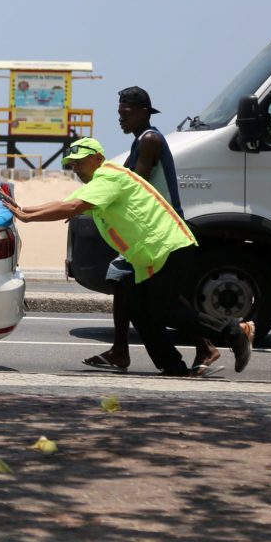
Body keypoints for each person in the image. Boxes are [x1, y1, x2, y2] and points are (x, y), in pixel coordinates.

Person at [1, 137, 255, 377]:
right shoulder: (96, 187)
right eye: (72, 165)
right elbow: (62, 203)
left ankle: (234, 331)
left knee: (164, 310)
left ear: (98, 157)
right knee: (139, 310)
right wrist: (20, 209)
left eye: (80, 162)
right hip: (149, 257)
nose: (76, 168)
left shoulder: (109, 177)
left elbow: (72, 207)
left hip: (168, 247)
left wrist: (27, 217)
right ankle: (172, 367)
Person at [81, 87, 220, 375]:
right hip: (150, 231)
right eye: (119, 113)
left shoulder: (150, 140)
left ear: (145, 111)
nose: (121, 119)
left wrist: (86, 204)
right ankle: (128, 350)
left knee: (149, 295)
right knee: (147, 293)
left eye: (126, 113)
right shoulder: (140, 141)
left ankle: (210, 341)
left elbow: (133, 187)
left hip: (160, 232)